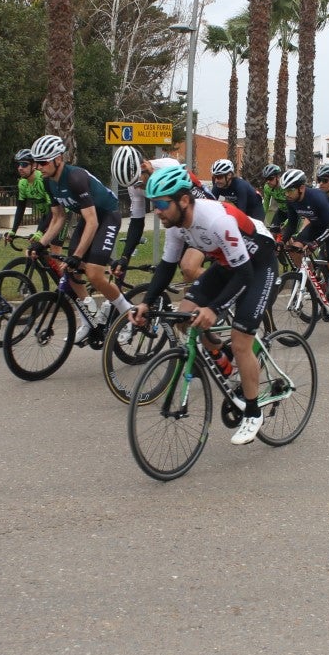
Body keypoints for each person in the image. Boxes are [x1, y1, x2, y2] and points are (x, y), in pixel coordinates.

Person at [127, 165, 278, 446]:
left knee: (241, 338)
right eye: (153, 205)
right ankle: (223, 360)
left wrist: (214, 309)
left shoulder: (215, 220)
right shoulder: (177, 226)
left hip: (258, 266)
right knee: (185, 316)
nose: (157, 211)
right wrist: (146, 303)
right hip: (227, 264)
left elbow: (244, 273)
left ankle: (254, 412)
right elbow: (167, 267)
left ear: (183, 200)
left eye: (161, 204)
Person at [28, 134, 133, 342]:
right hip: (88, 219)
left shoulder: (75, 178)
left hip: (107, 216)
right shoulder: (49, 183)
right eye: (36, 162)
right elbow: (58, 217)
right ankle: (89, 317)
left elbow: (93, 221)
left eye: (43, 162)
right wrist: (41, 243)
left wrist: (77, 254)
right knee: (69, 269)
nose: (38, 167)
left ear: (58, 159)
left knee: (94, 274)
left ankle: (128, 314)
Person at [110, 146, 210, 283]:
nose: (137, 188)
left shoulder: (168, 167)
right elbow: (137, 222)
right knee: (187, 275)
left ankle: (226, 287)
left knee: (188, 267)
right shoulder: (135, 184)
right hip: (177, 217)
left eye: (138, 182)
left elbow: (184, 209)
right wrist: (125, 257)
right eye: (132, 185)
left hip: (197, 207)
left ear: (144, 165)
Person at [280, 168, 329, 330]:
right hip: (317, 224)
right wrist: (282, 241)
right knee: (295, 248)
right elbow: (292, 224)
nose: (287, 194)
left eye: (290, 190)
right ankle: (310, 277)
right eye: (285, 190)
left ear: (301, 188)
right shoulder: (291, 200)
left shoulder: (316, 197)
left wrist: (316, 243)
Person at [5, 148, 55, 250]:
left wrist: (40, 232)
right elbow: (20, 208)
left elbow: (53, 209)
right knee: (35, 248)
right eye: (18, 165)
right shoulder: (22, 183)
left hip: (60, 215)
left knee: (55, 249)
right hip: (47, 216)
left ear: (34, 165)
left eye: (24, 164)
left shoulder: (43, 180)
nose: (20, 168)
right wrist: (13, 231)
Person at [261, 164, 288, 231]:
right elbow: (265, 205)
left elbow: (295, 206)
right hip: (281, 211)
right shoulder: (267, 188)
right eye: (266, 179)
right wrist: (260, 220)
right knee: (273, 231)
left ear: (278, 177)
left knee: (287, 233)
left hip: (293, 212)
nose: (268, 181)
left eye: (270, 178)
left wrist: (287, 223)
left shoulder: (287, 187)